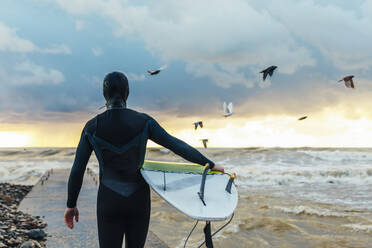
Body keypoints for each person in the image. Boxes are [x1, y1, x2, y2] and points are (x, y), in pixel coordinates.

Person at [64, 71, 224, 248]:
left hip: (108, 200)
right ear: (127, 93)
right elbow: (175, 145)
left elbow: (77, 169)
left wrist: (71, 205)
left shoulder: (91, 127)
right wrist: (210, 164)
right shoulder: (144, 122)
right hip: (138, 200)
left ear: (104, 94)